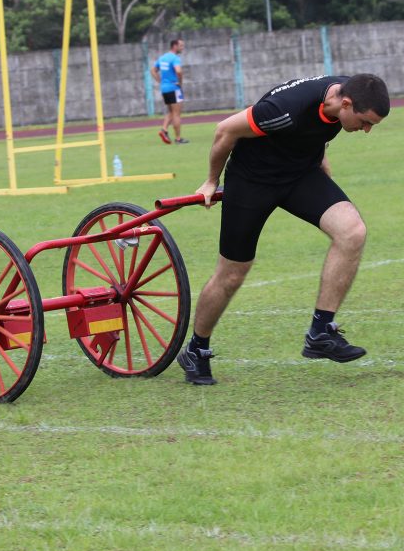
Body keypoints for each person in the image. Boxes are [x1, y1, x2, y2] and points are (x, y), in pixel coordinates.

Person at [176, 73, 391, 385]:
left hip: (299, 176)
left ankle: (321, 331)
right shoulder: (285, 108)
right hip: (252, 181)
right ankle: (196, 349)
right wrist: (211, 181)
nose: (366, 130)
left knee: (352, 231)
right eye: (365, 122)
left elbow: (313, 132)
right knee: (232, 273)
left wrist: (323, 171)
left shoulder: (345, 96)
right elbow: (225, 130)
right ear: (346, 104)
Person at [151, 38, 189, 144]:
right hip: (174, 88)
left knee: (171, 112)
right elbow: (179, 71)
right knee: (177, 114)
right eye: (181, 46)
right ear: (174, 46)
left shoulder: (162, 58)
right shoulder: (175, 58)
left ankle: (164, 130)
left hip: (165, 89)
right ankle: (178, 139)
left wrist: (160, 81)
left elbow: (153, 70)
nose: (182, 48)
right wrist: (180, 82)